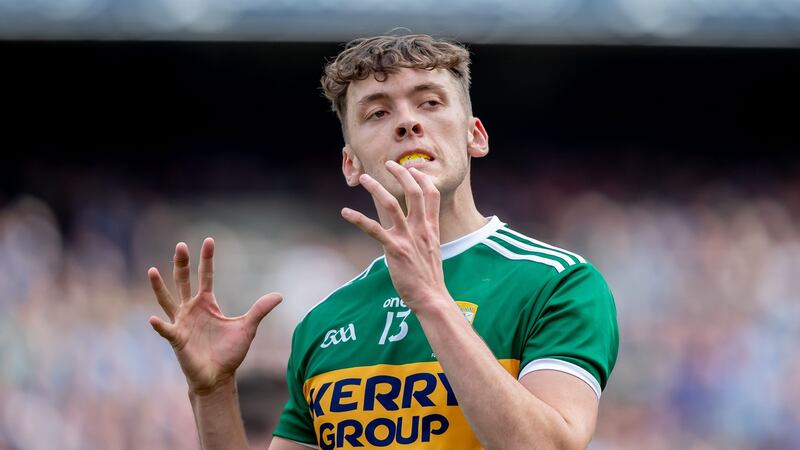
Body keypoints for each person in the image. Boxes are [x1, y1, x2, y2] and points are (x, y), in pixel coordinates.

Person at [147, 34, 619, 450]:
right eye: (378, 112)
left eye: (429, 102)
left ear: (475, 136)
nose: (407, 123)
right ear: (350, 164)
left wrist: (432, 300)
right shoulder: (325, 321)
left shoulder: (557, 284)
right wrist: (212, 394)